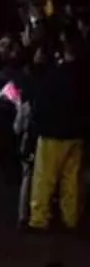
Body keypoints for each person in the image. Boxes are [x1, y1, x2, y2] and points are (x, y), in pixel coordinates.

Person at [26, 43, 87, 231]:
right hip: (77, 133)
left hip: (52, 133)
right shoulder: (84, 76)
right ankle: (71, 218)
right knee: (72, 180)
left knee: (45, 178)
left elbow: (41, 104)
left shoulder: (53, 76)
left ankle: (39, 218)